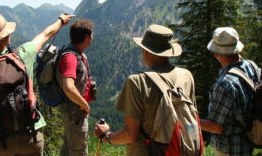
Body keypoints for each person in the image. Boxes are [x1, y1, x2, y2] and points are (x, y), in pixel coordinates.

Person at [0, 12, 75, 156]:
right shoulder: (23, 54)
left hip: (0, 142)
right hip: (31, 138)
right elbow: (46, 34)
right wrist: (61, 20)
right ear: (6, 37)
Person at [93, 24, 197, 156]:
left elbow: (130, 135)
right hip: (182, 149)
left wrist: (106, 135)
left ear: (146, 51)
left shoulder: (137, 81)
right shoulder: (186, 75)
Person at [200, 27, 259, 156]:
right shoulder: (251, 66)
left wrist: (190, 120)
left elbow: (216, 127)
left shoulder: (225, 83)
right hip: (247, 143)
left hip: (228, 149)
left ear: (215, 53)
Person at [59, 19, 95, 156]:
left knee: (69, 148)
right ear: (86, 37)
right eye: (91, 35)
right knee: (79, 151)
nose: (93, 38)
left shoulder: (78, 54)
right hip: (75, 115)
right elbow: (68, 87)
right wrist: (84, 104)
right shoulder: (70, 57)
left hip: (74, 114)